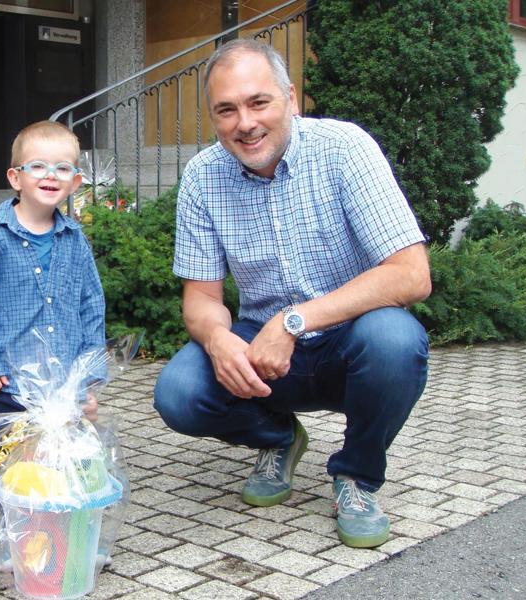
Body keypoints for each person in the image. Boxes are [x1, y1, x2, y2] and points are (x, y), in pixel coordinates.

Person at [153, 39, 431, 549]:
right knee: (179, 392)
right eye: (226, 110)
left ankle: (357, 475)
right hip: (263, 356)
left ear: (291, 98)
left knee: (395, 340)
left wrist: (293, 321)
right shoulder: (200, 178)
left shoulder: (344, 149)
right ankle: (279, 437)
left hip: (351, 345)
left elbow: (410, 274)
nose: (245, 123)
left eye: (259, 102)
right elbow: (200, 300)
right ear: (213, 119)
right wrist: (218, 340)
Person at [0, 120, 106, 475]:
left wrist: (90, 373)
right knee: (7, 458)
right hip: (7, 381)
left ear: (75, 182)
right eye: (38, 165)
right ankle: (6, 517)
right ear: (15, 178)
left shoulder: (75, 241)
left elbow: (92, 307)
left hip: (64, 379)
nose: (50, 175)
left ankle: (54, 519)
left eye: (62, 168)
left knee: (62, 458)